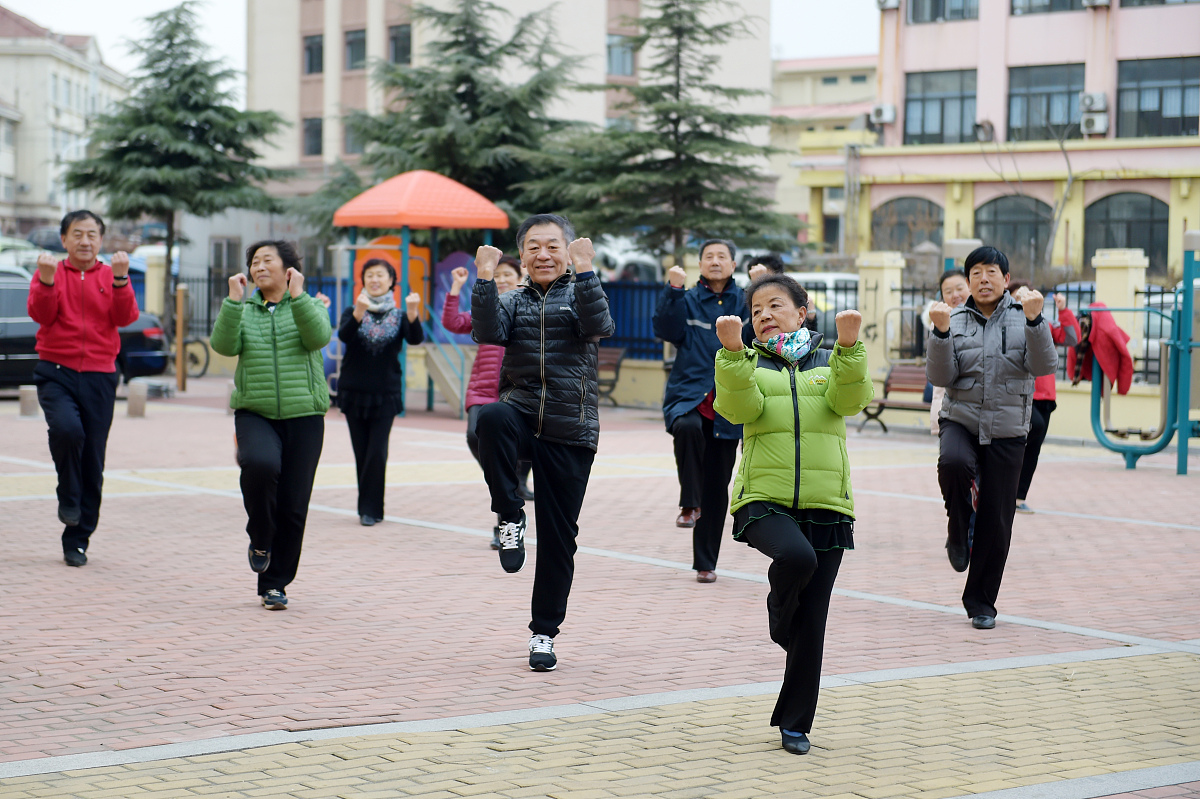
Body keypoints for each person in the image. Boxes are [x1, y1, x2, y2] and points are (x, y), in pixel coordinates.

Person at [712, 274, 872, 756]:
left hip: (827, 503)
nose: (764, 314)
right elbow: (736, 410)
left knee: (814, 621)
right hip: (764, 497)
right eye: (756, 308)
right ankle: (778, 616)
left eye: (775, 305)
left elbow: (852, 401)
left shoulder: (829, 362)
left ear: (802, 313)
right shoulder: (749, 362)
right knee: (797, 561)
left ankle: (795, 723)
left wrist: (850, 348)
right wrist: (733, 356)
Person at [470, 213, 615, 672]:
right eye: (533, 247)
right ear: (523, 254)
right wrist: (484, 279)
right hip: (522, 408)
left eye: (552, 246)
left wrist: (587, 270)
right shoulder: (514, 300)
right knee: (490, 417)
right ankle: (509, 513)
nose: (543, 255)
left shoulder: (581, 290)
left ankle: (543, 634)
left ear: (568, 251)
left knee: (559, 540)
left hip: (570, 427)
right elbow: (489, 332)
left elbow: (598, 325)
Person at [927, 246, 1057, 631]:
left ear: (1005, 277)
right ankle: (957, 526)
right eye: (976, 273)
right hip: (961, 420)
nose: (984, 279)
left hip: (1008, 428)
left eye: (991, 272)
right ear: (967, 282)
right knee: (952, 463)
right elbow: (940, 376)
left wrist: (1035, 322)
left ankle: (981, 602)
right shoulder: (954, 319)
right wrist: (939, 332)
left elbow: (1044, 364)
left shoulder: (1025, 317)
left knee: (997, 522)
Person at [210, 240, 332, 611]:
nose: (260, 267)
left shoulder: (308, 305)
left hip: (305, 416)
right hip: (255, 411)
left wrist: (297, 298)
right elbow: (224, 346)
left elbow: (318, 338)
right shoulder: (242, 309)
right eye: (254, 262)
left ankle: (274, 583)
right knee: (260, 466)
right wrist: (232, 302)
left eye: (268, 260)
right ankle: (260, 536)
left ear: (288, 268)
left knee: (294, 506)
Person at [27, 210, 138, 567]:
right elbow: (41, 316)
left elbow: (125, 318)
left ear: (101, 240)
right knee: (66, 430)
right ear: (64, 240)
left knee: (93, 458)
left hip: (100, 375)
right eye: (77, 234)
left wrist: (121, 281)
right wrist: (45, 282)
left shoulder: (111, 274)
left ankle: (77, 539)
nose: (85, 241)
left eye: (92, 234)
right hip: (56, 371)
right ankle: (67, 493)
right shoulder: (51, 272)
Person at [653, 240, 747, 582]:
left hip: (729, 403)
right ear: (700, 265)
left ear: (734, 265)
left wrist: (763, 284)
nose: (716, 261)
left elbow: (760, 335)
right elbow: (666, 330)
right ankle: (689, 505)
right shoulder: (688, 298)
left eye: (722, 256)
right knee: (687, 427)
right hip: (689, 394)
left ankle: (705, 563)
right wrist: (673, 290)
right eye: (709, 256)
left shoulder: (745, 300)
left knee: (717, 485)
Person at [442, 255, 534, 551]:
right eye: (497, 276)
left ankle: (504, 525)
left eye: (508, 274)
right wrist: (456, 288)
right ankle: (508, 477)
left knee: (511, 455)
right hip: (482, 392)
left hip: (514, 393)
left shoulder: (531, 308)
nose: (502, 280)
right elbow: (453, 322)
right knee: (474, 437)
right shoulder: (487, 310)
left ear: (521, 276)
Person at [336, 258, 424, 526]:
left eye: (380, 275)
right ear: (363, 281)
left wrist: (413, 312)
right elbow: (344, 336)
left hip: (386, 394)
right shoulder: (353, 309)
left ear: (391, 281)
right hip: (354, 392)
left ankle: (371, 510)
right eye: (369, 275)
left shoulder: (399, 315)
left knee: (377, 452)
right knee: (361, 452)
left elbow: (416, 338)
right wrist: (358, 313)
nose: (374, 280)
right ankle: (367, 507)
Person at [1005, 281, 1079, 514]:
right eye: (1018, 295)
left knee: (1033, 448)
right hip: (1022, 393)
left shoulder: (1042, 322)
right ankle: (1003, 492)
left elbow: (1071, 338)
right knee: (1029, 432)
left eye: (1027, 294)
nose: (1023, 298)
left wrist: (1064, 310)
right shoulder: (1006, 323)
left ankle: (1018, 497)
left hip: (1045, 395)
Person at [927, 269, 971, 435]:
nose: (955, 295)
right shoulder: (940, 323)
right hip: (949, 404)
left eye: (960, 288)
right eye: (948, 291)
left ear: (970, 287)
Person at [746, 254, 818, 332]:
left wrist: (811, 318)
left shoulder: (793, 295)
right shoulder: (742, 299)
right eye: (757, 312)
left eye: (774, 306)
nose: (764, 316)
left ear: (801, 314)